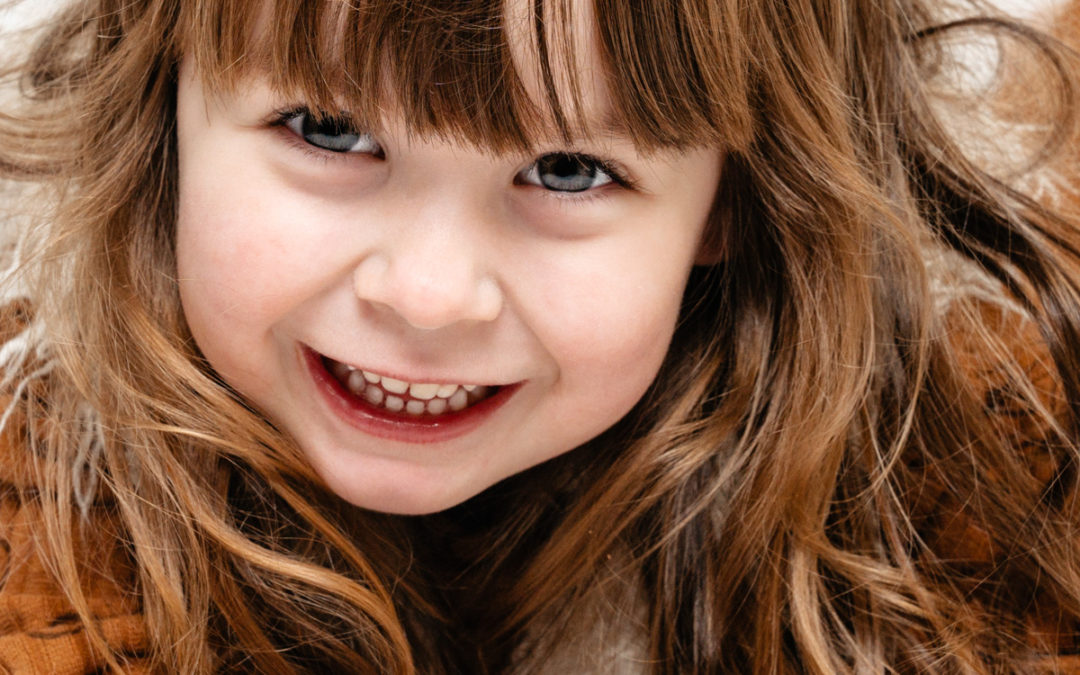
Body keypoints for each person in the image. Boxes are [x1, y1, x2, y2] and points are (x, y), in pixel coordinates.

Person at [0, 0, 1078, 672]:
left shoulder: (972, 506)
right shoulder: (31, 522)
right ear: (159, 115)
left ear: (733, 209)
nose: (427, 296)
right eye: (330, 131)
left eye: (568, 171)